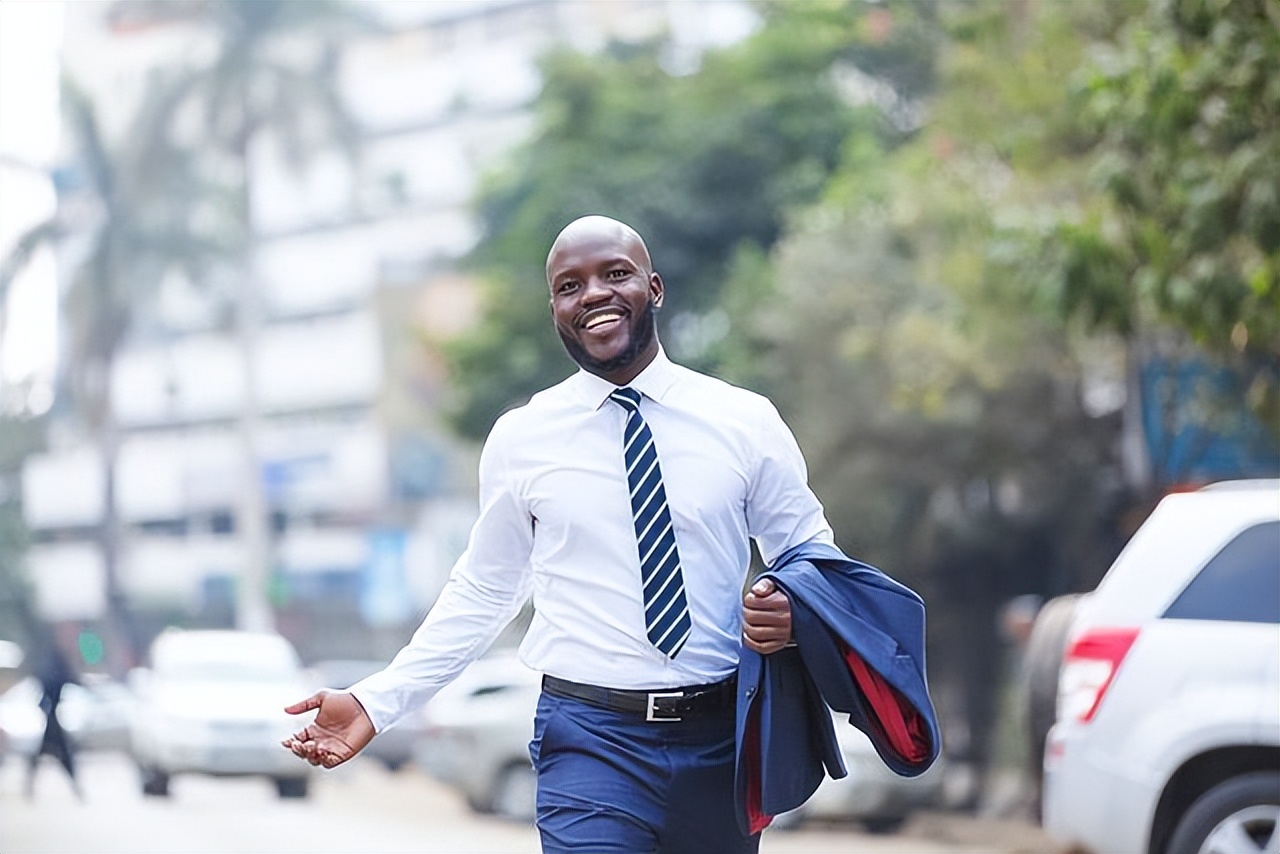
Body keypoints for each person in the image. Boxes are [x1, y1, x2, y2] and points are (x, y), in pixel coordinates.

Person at [285, 215, 837, 853]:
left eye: (616, 274)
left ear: (653, 288)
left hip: (721, 738)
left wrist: (793, 606)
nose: (594, 293)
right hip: (589, 739)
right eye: (570, 286)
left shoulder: (744, 421)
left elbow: (811, 555)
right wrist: (379, 700)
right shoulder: (525, 437)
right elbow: (486, 590)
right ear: (556, 310)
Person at [26, 633, 83, 801]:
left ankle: (30, 786)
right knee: (62, 754)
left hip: (52, 716)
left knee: (45, 754)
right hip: (52, 718)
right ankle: (76, 788)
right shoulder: (54, 664)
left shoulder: (51, 662)